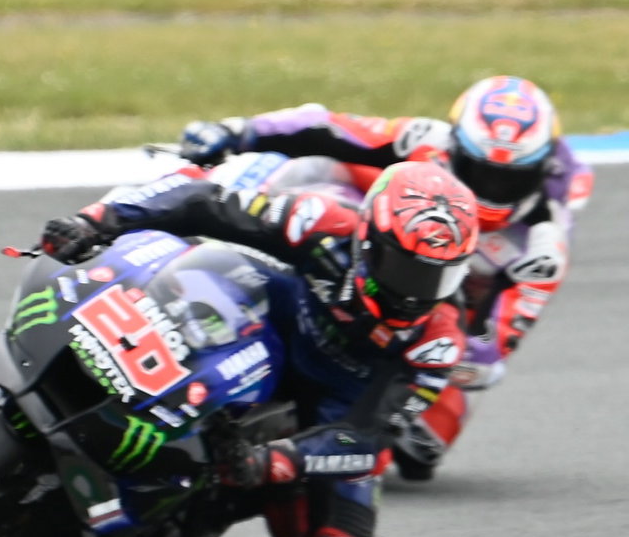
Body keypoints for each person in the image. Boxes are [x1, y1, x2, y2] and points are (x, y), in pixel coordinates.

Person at [39, 160, 479, 537]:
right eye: (406, 268)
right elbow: (203, 199)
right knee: (204, 265)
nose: (416, 292)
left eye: (439, 276)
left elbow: (367, 435)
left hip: (339, 404)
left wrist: (275, 462)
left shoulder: (439, 342)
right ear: (368, 240)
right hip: (275, 323)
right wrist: (97, 220)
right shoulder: (321, 223)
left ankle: (227, 498)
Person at [172, 76, 593, 478]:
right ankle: (221, 243)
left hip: (430, 320)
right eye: (480, 171)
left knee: (420, 446)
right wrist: (238, 131)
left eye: (509, 179)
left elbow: (487, 352)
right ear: (455, 148)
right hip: (373, 236)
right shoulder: (425, 140)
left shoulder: (542, 250)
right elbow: (326, 126)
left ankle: (317, 425)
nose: (492, 189)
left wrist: (430, 341)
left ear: (543, 170)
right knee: (305, 174)